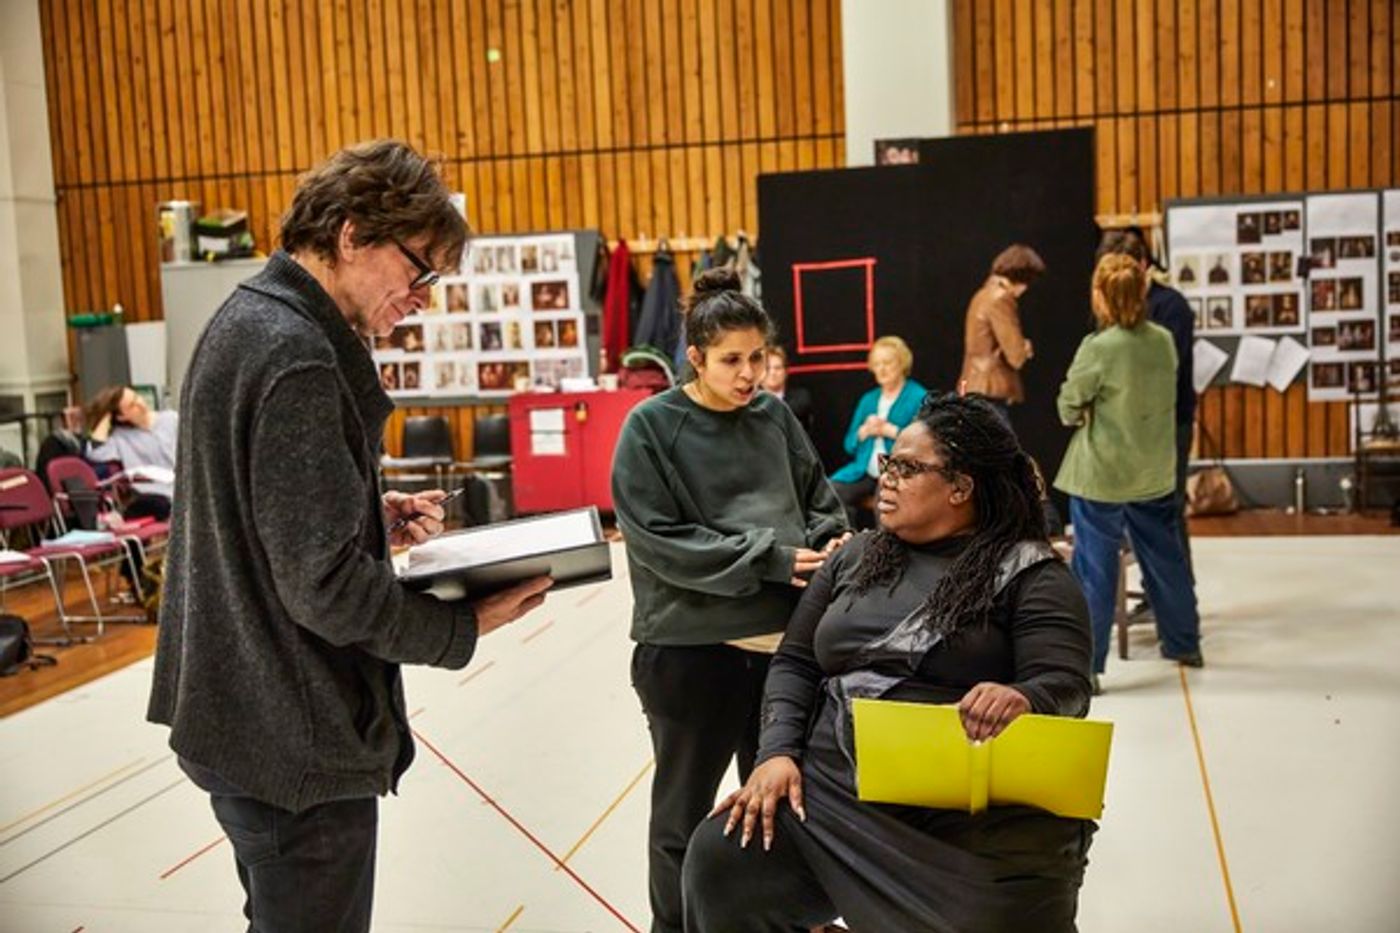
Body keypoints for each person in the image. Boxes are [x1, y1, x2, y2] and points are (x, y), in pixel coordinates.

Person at [146, 140, 553, 933]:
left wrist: (367, 509)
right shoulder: (297, 353)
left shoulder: (250, 318)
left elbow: (257, 514)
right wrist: (460, 625)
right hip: (287, 732)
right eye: (419, 270)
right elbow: (323, 586)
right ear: (352, 234)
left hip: (242, 714)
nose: (424, 297)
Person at [682, 392, 1096, 932]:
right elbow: (796, 662)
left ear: (960, 487)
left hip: (961, 820)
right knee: (720, 858)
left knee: (1000, 912)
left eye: (907, 467)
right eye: (888, 464)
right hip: (828, 796)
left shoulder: (1034, 576)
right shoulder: (854, 556)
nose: (888, 477)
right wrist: (776, 753)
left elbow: (1067, 684)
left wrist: (1025, 697)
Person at [611, 267, 850, 933]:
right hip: (692, 655)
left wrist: (834, 544)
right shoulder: (651, 427)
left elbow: (819, 501)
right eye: (731, 361)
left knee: (778, 811)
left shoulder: (774, 416)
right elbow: (661, 541)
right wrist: (770, 558)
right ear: (695, 358)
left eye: (759, 358)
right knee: (683, 822)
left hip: (785, 655)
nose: (749, 374)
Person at [1053, 253, 1202, 679]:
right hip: (1153, 471)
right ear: (1142, 291)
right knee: (1166, 560)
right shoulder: (1162, 340)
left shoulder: (1097, 347)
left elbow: (1067, 407)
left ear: (1099, 296)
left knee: (1095, 571)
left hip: (1102, 476)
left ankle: (1090, 666)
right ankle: (1185, 644)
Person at [1096, 228, 1197, 575]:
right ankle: (1155, 590)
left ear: (1142, 264)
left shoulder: (1172, 307)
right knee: (1129, 511)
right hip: (1123, 425)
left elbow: (1166, 373)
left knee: (1167, 508)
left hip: (1168, 423)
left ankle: (1175, 593)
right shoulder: (1107, 310)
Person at [828, 336, 927, 529]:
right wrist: (863, 432)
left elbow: (924, 445)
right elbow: (849, 444)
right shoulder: (868, 400)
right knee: (832, 493)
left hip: (896, 470)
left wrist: (891, 431)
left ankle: (884, 553)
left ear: (901, 363)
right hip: (864, 469)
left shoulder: (918, 396)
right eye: (877, 364)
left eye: (887, 363)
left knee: (885, 500)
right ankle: (849, 545)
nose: (881, 369)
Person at [958, 244, 1046, 427]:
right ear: (1022, 279)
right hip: (989, 391)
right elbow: (1016, 356)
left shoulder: (982, 295)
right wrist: (1024, 347)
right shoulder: (1001, 299)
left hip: (972, 385)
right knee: (999, 451)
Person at [84, 384, 178, 517]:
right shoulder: (120, 437)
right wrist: (106, 416)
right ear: (122, 417)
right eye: (132, 405)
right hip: (154, 496)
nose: (140, 403)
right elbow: (95, 453)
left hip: (182, 487)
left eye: (137, 397)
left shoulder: (171, 419)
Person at [761, 345, 814, 434]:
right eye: (767, 368)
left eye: (777, 368)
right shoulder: (749, 402)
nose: (772, 372)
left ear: (786, 371)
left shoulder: (800, 399)